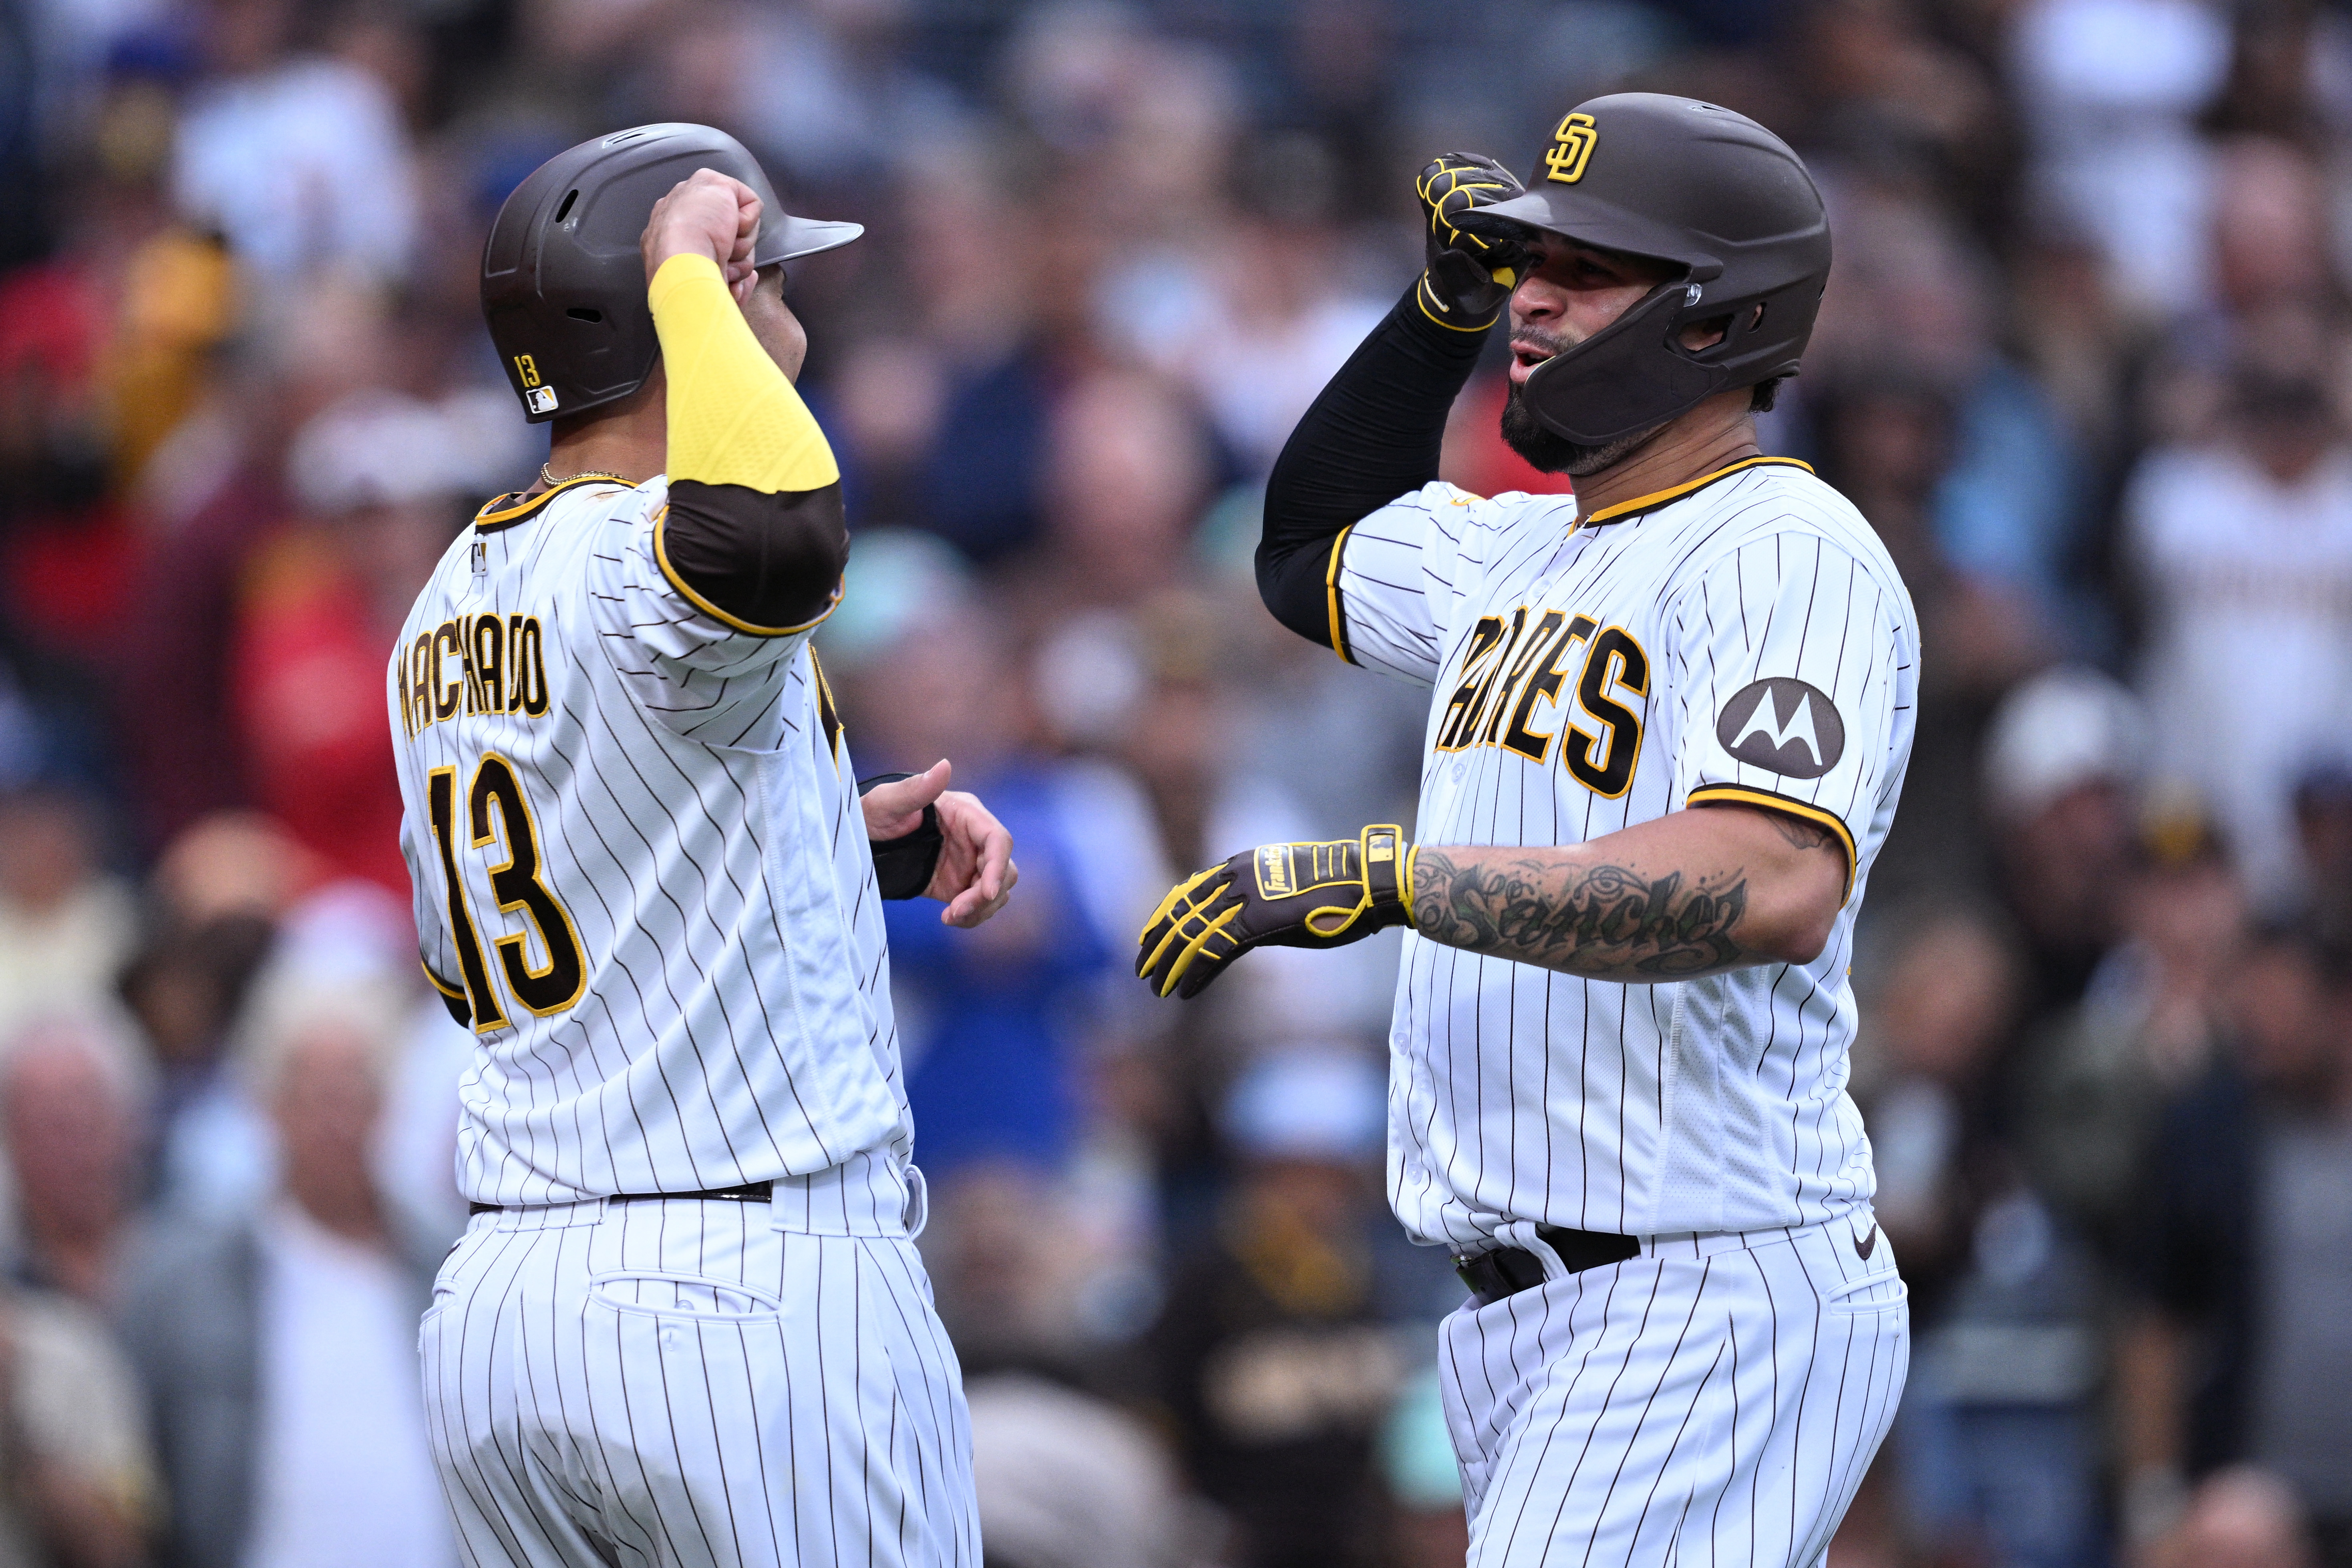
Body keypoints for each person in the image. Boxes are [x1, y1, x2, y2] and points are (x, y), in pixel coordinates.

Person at [1136, 95, 1915, 1564]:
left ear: (1712, 320)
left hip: (1704, 1287)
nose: (1534, 298)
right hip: (1537, 1310)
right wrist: (1436, 313)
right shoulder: (1519, 542)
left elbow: (1770, 874)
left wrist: (1396, 880)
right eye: (1524, 260)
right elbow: (1303, 550)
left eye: (1587, 268)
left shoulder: (1784, 549)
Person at [395, 125, 1016, 1568]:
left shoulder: (446, 593)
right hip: (740, 1289)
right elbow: (782, 534)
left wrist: (818, 844)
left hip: (506, 1302)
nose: (789, 308)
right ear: (677, 306)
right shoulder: (645, 545)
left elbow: (500, 936)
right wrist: (690, 278)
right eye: (764, 277)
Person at [117, 972, 451, 1568]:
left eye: (353, 1092)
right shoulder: (184, 1277)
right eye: (312, 1094)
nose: (333, 1119)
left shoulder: (447, 1268)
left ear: (386, 1106)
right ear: (267, 1106)